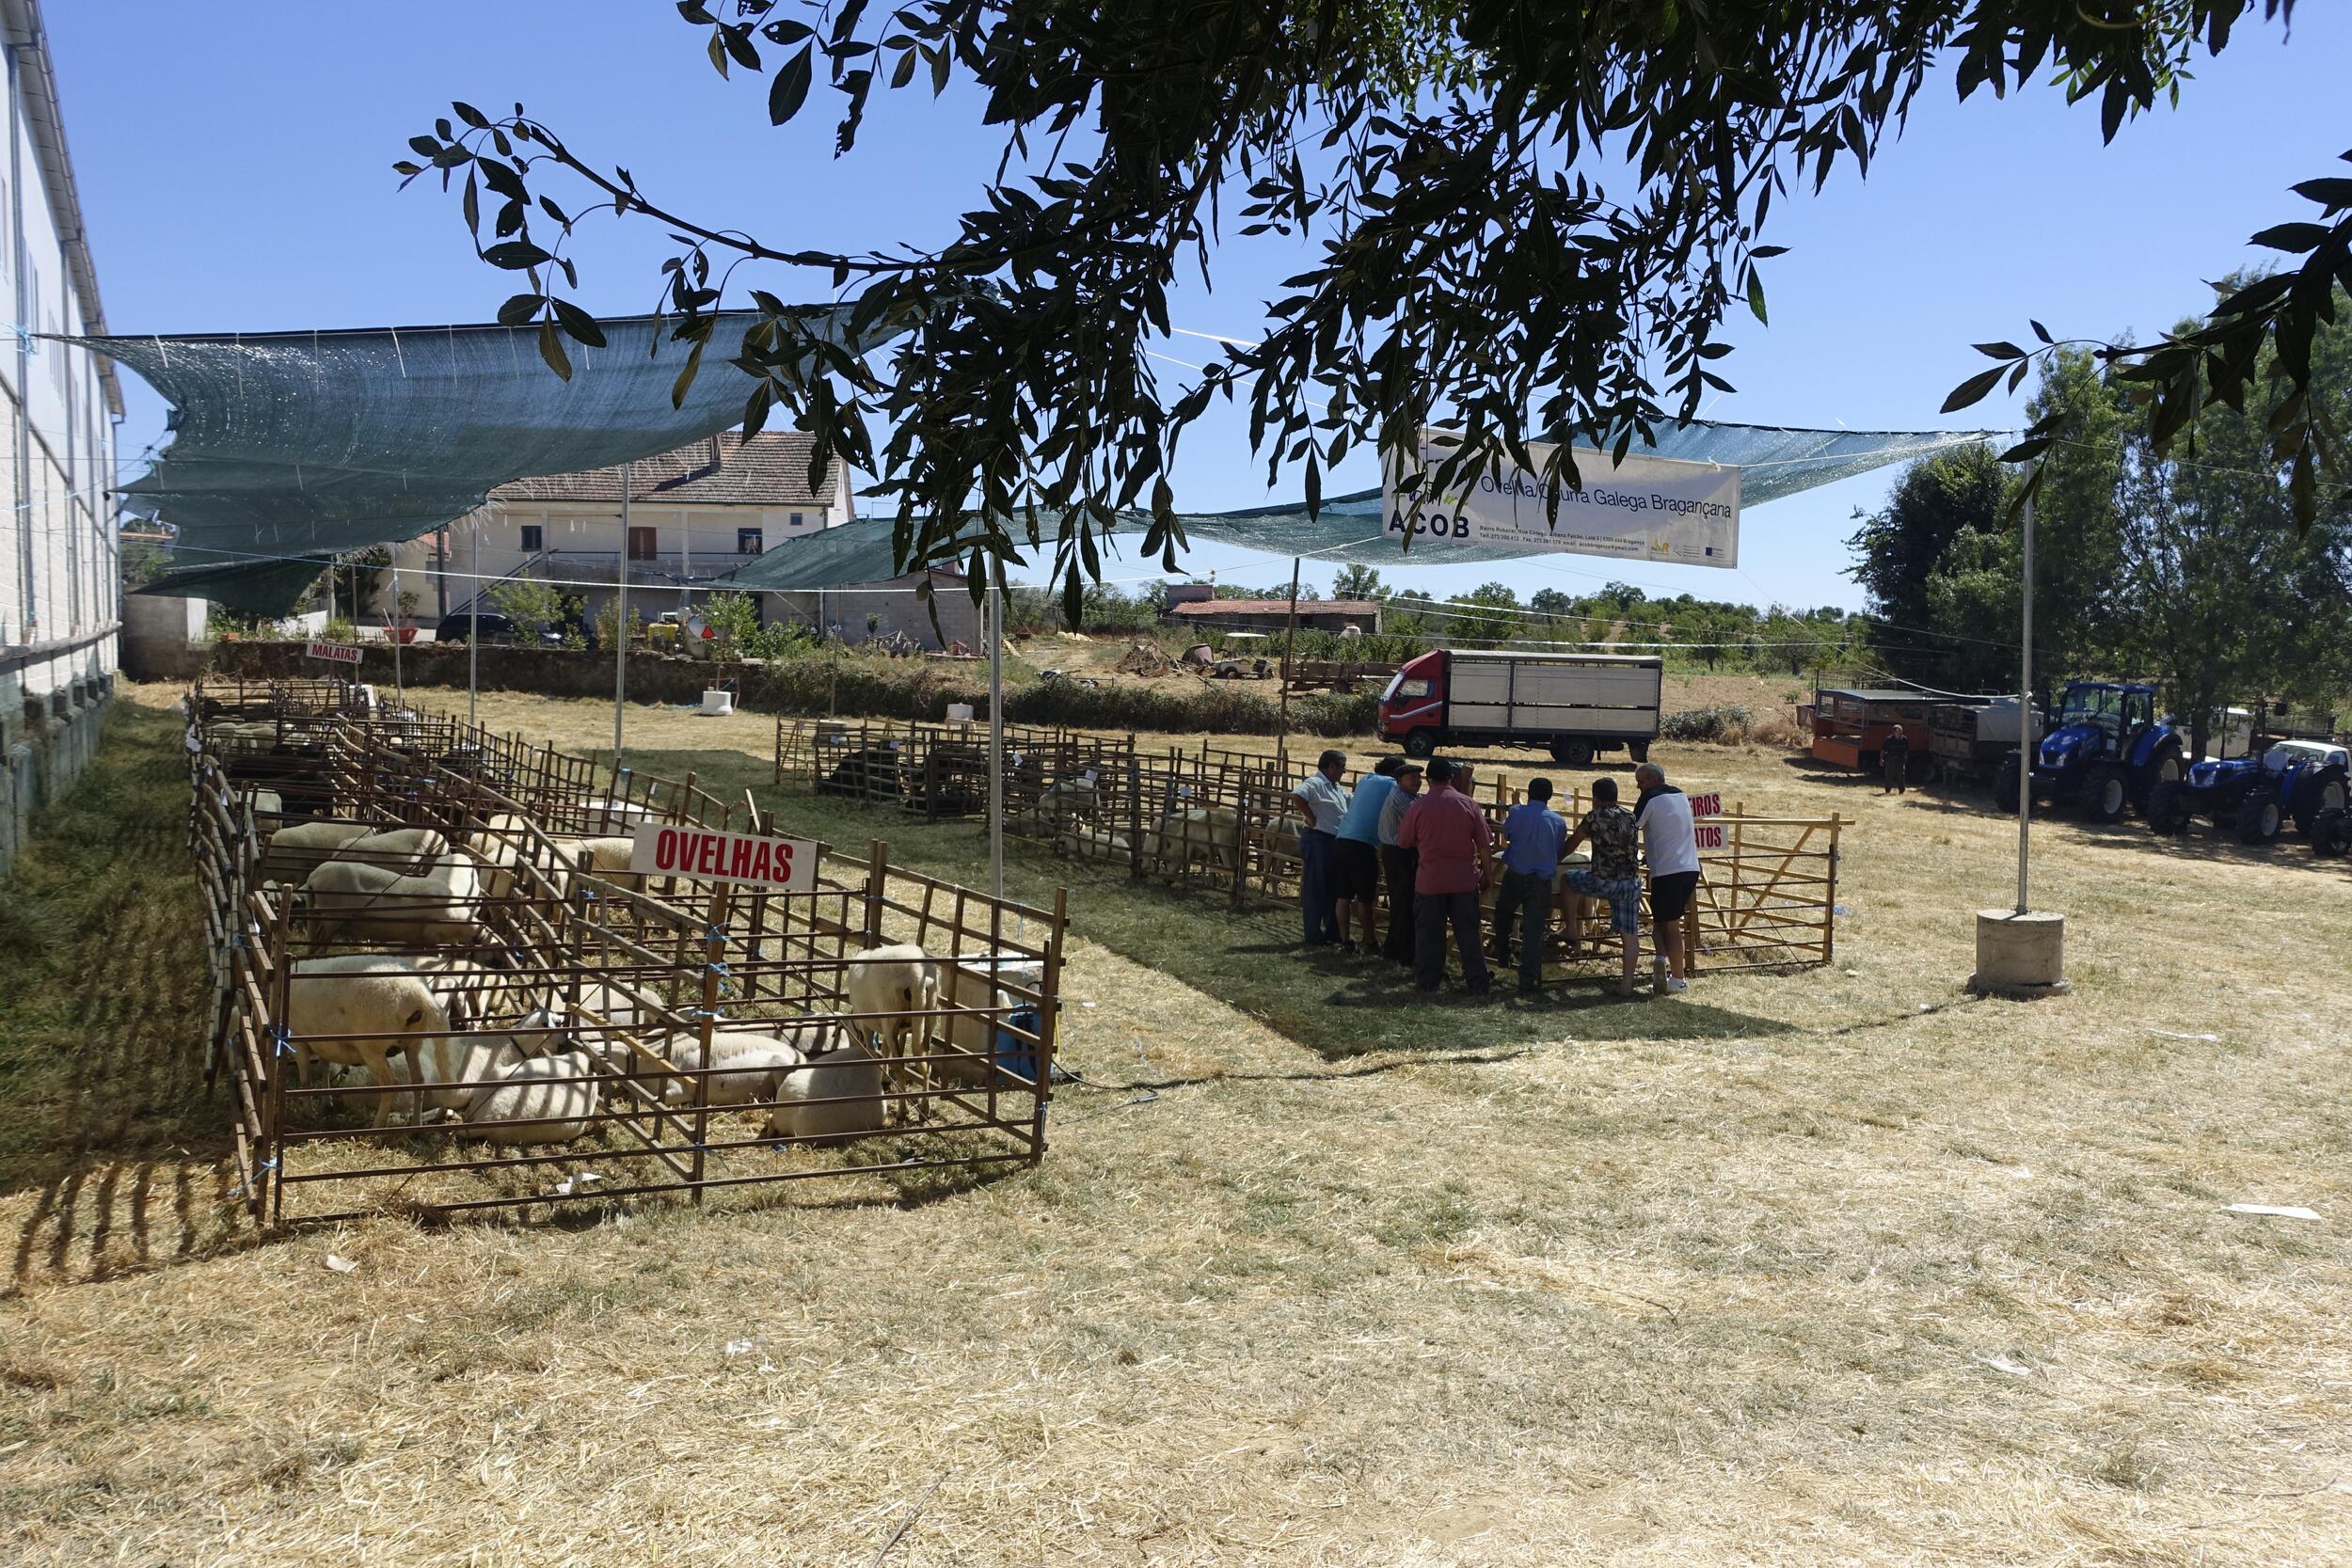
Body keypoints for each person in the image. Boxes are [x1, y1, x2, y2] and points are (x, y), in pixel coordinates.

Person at [1396, 757, 1493, 995]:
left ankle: (1429, 982)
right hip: (1464, 880)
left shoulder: (1418, 807)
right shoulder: (1469, 804)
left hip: (1430, 881)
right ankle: (1477, 982)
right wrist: (1487, 873)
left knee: (1430, 933)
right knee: (1468, 933)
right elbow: (1484, 845)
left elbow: (1404, 841)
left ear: (1428, 779)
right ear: (1451, 777)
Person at [1558, 775, 1643, 997]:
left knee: (1568, 880)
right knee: (1630, 935)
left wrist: (1557, 858)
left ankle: (1572, 929)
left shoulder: (1594, 817)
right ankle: (1626, 985)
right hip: (1630, 883)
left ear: (1595, 798)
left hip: (1603, 881)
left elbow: (1573, 842)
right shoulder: (1630, 816)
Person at [1490, 778, 1567, 993]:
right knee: (1534, 929)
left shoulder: (1516, 812)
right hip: (1541, 881)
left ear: (1530, 793)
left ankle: (1503, 953)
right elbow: (1558, 847)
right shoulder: (1558, 821)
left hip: (1515, 874)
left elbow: (1508, 834)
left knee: (1503, 914)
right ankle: (1528, 978)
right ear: (1550, 796)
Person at [1633, 761, 1700, 995]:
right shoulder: (1680, 795)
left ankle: (1678, 978)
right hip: (1690, 867)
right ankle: (1661, 962)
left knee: (1670, 925)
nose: (1639, 787)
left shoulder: (1649, 798)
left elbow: (1632, 826)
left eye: (1641, 782)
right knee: (1661, 921)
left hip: (1667, 870)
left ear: (1653, 780)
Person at [1329, 756, 1401, 954]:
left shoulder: (1366, 780)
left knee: (1343, 896)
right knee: (1365, 899)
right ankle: (1370, 941)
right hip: (1364, 845)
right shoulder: (1393, 786)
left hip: (1342, 839)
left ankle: (1345, 941)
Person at [1288, 749, 1349, 948]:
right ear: (1331, 766)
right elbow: (1297, 795)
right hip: (1318, 839)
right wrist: (1311, 817)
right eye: (1342, 767)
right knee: (1315, 887)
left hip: (1331, 840)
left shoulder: (1334, 787)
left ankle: (1332, 930)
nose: (1344, 771)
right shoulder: (1315, 783)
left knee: (1331, 887)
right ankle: (1313, 933)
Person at [1375, 759, 1423, 965]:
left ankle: (1392, 948)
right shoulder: (1400, 798)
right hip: (1398, 853)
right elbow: (1421, 820)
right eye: (1412, 778)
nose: (1417, 781)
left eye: (1419, 777)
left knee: (1401, 901)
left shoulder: (1410, 796)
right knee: (1403, 901)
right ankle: (1406, 954)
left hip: (1399, 852)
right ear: (1399, 780)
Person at [1880, 724, 1912, 795]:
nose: (1899, 733)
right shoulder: (1889, 739)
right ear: (1894, 732)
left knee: (1901, 775)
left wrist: (1905, 758)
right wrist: (1881, 759)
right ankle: (1887, 791)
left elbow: (1906, 749)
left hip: (1900, 759)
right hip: (1890, 759)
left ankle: (1901, 791)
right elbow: (1883, 750)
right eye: (1897, 731)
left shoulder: (1904, 739)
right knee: (1889, 775)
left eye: (1900, 731)